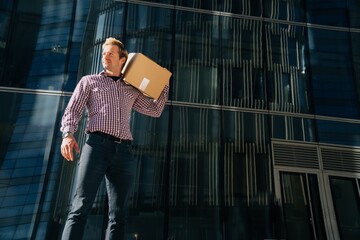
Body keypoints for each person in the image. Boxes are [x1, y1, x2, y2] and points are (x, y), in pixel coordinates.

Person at [60, 37, 169, 239]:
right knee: (80, 206)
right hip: (97, 147)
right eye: (103, 54)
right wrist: (68, 135)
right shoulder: (89, 81)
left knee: (118, 215)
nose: (105, 57)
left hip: (124, 152)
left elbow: (154, 110)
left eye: (110, 54)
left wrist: (163, 82)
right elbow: (72, 110)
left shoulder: (131, 89)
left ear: (122, 60)